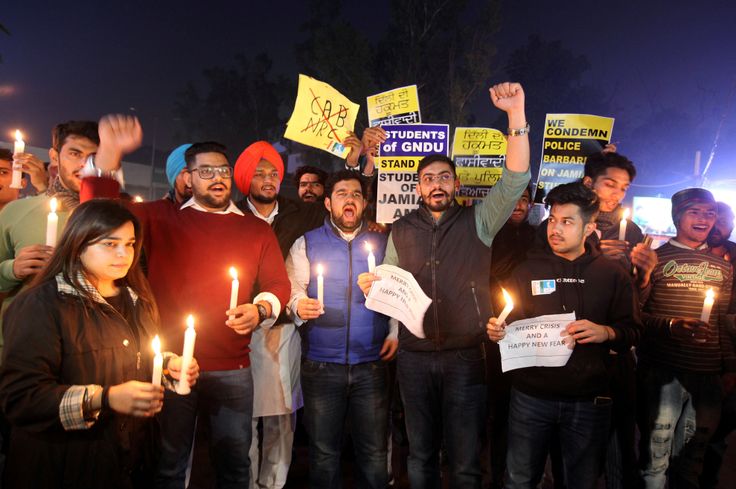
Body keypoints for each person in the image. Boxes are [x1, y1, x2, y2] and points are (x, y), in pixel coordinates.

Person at [358, 81, 531, 487]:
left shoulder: (480, 221)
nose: (437, 184)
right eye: (429, 178)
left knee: (466, 455)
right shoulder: (400, 230)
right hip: (414, 358)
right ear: (418, 187)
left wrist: (516, 115)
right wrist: (373, 287)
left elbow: (516, 177)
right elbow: (389, 288)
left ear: (455, 184)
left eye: (444, 177)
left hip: (465, 357)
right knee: (419, 453)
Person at [125, 141, 292, 489]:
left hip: (234, 368)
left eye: (223, 171)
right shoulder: (158, 219)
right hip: (174, 365)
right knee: (169, 464)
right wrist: (107, 160)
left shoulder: (255, 229)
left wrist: (259, 308)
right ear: (188, 177)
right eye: (206, 171)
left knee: (234, 464)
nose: (217, 178)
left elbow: (278, 284)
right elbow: (99, 214)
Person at [0, 199, 198, 488]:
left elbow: (133, 352)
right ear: (78, 244)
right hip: (63, 464)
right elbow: (21, 399)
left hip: (125, 459)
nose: (123, 254)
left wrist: (168, 365)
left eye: (130, 244)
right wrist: (104, 398)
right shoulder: (41, 304)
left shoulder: (136, 298)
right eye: (109, 244)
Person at [486, 182, 642, 489]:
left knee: (579, 481)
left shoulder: (612, 275)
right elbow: (512, 324)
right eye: (553, 219)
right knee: (519, 480)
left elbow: (634, 331)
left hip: (589, 400)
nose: (555, 229)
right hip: (530, 397)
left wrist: (606, 332)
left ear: (589, 228)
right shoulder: (526, 271)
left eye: (567, 222)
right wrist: (499, 332)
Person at [286, 170, 397, 488]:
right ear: (327, 202)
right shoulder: (306, 243)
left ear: (364, 203)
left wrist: (393, 334)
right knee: (323, 454)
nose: (350, 199)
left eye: (356, 194)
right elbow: (293, 288)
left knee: (374, 454)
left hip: (371, 365)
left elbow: (397, 294)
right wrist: (298, 305)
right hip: (321, 365)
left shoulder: (383, 242)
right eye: (342, 193)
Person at [0, 116, 142, 357]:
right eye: (74, 154)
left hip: (92, 349)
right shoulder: (17, 211)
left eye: (93, 158)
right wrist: (12, 269)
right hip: (23, 344)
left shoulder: (118, 219)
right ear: (54, 156)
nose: (82, 165)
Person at [233, 141, 326, 488]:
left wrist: (357, 163)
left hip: (282, 329)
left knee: (280, 415)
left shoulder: (297, 212)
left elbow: (341, 205)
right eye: (259, 173)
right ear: (245, 179)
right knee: (241, 417)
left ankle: (273, 482)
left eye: (273, 173)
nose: (268, 179)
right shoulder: (230, 215)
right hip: (237, 327)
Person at [638, 188, 736, 488]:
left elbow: (722, 321)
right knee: (655, 461)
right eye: (695, 211)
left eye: (710, 213)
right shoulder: (654, 259)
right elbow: (636, 317)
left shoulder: (723, 266)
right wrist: (671, 325)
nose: (704, 218)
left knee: (692, 462)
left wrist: (730, 367)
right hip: (663, 374)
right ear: (677, 215)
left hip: (706, 379)